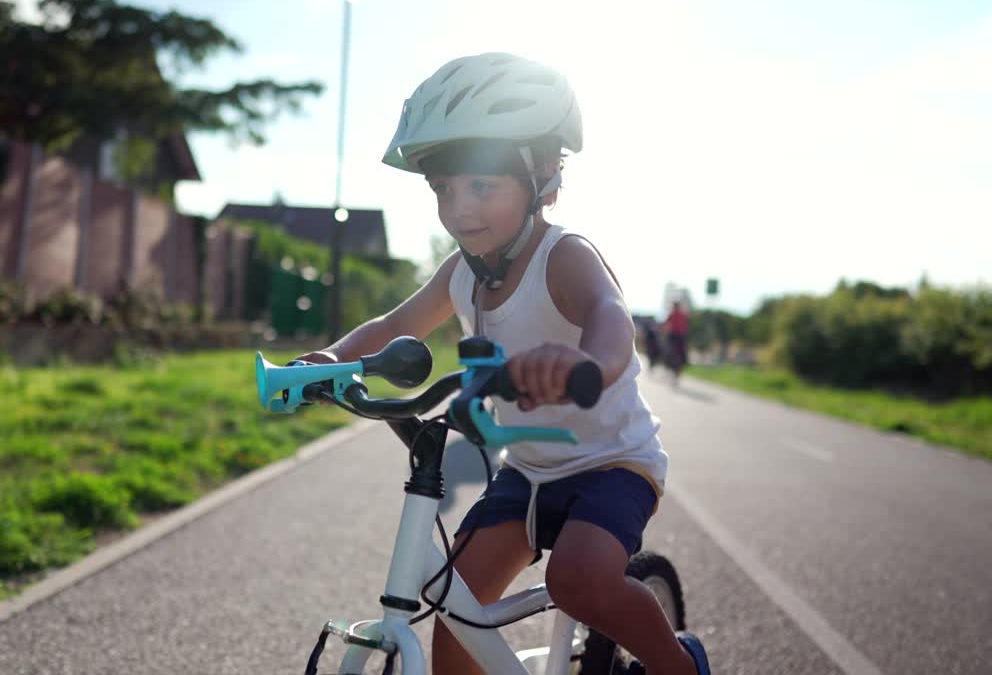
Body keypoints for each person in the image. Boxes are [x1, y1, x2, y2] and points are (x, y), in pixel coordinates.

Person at [293, 53, 709, 675]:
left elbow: (610, 316)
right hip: (529, 468)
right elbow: (392, 327)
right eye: (444, 188)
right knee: (453, 601)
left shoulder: (561, 256)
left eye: (482, 185)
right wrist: (326, 363)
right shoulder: (461, 272)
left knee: (578, 580)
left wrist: (581, 363)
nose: (460, 208)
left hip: (612, 463)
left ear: (542, 174)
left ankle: (679, 666)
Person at [661, 301, 689, 375]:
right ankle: (675, 365)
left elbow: (666, 323)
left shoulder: (675, 314)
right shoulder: (680, 314)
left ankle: (675, 365)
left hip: (677, 335)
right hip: (677, 335)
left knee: (674, 350)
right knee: (677, 350)